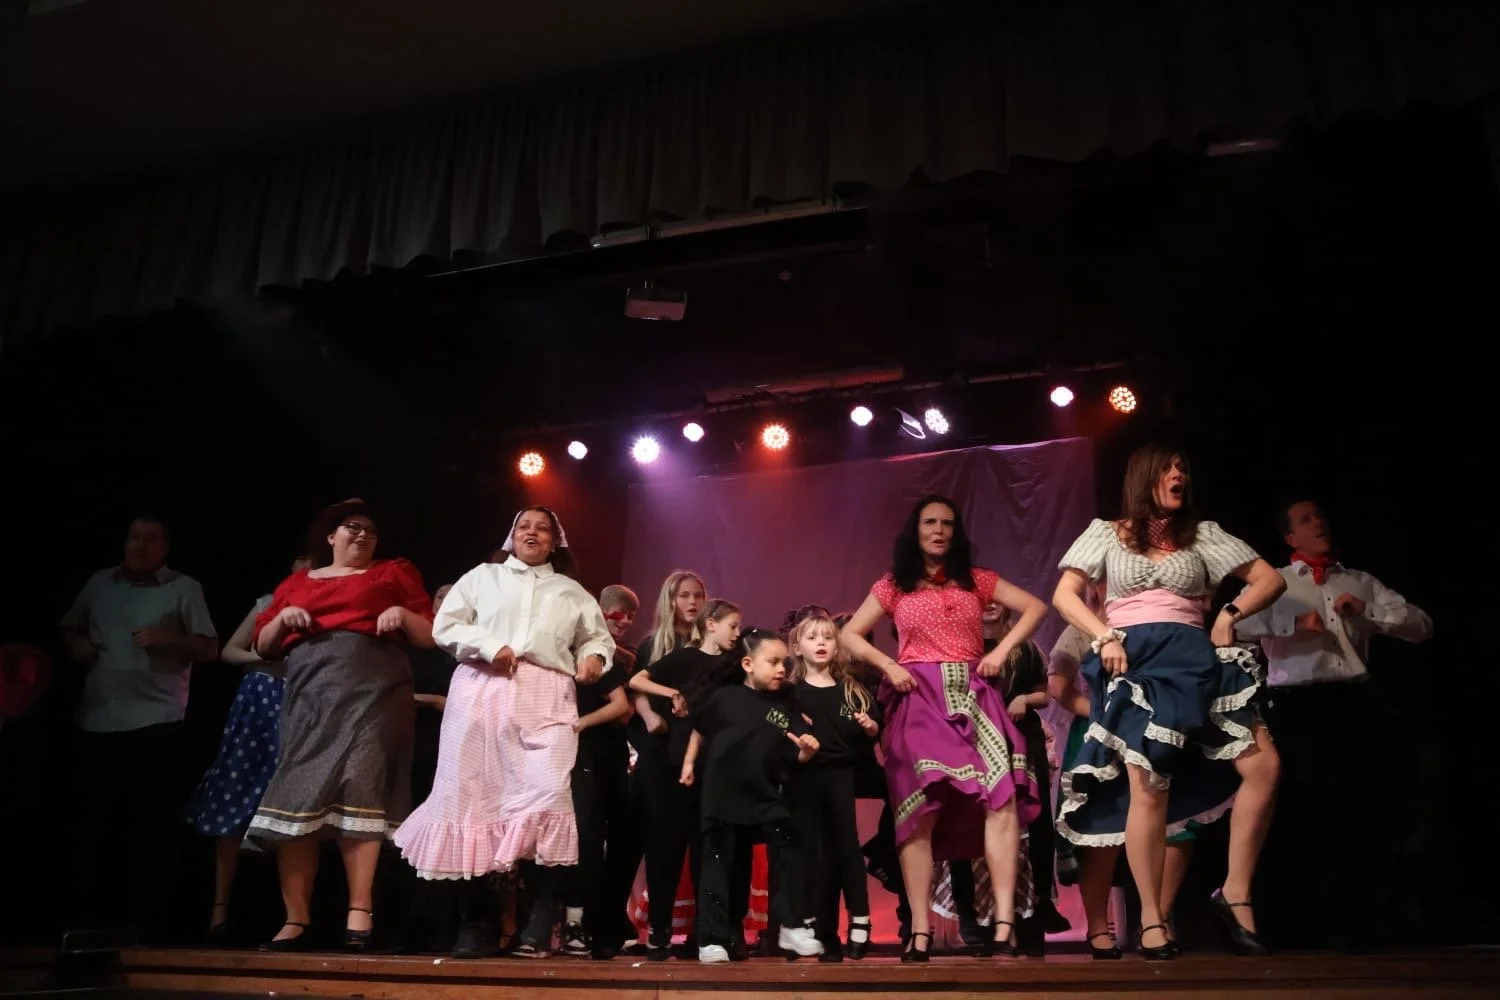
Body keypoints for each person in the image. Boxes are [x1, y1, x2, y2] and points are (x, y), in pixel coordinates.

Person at [1052, 444, 1285, 960]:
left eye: (1184, 467)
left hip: (1196, 657)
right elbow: (1065, 595)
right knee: (1148, 785)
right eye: (1170, 468)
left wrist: (1229, 613)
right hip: (1136, 661)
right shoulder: (1106, 533)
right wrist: (1103, 636)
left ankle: (1236, 891)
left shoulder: (1204, 535)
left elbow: (1270, 578)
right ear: (1145, 477)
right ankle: (1152, 918)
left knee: (1264, 766)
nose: (1179, 474)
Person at [394, 506, 614, 959]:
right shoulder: (483, 577)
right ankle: (475, 923)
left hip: (547, 694)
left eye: (542, 528)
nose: (532, 533)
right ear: (511, 536)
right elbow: (447, 625)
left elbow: (596, 638)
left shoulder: (572, 592)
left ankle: (537, 920)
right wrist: (491, 647)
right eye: (523, 527)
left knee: (549, 797)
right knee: (472, 801)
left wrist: (593, 658)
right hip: (482, 690)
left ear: (557, 541)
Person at [840, 494, 1046, 960]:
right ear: (915, 530)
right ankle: (918, 929)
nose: (939, 530)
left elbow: (1035, 607)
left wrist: (998, 652)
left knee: (1003, 795)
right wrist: (888, 665)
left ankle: (1004, 923)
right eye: (930, 522)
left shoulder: (977, 580)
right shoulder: (895, 584)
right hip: (920, 696)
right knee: (920, 808)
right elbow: (849, 634)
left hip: (976, 695)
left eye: (948, 523)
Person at [1237, 499, 1432, 951]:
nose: (1318, 522)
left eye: (1320, 516)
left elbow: (1423, 626)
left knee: (1357, 812)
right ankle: (1294, 926)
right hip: (1296, 708)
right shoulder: (1275, 584)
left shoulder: (1359, 581)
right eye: (1306, 520)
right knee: (1299, 815)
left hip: (1351, 704)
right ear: (1290, 538)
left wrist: (1367, 612)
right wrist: (1289, 623)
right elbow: (1233, 622)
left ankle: (1358, 924)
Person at [248, 499, 434, 951]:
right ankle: (296, 917)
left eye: (371, 530)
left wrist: (404, 617)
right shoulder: (298, 581)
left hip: (375, 692)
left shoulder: (392, 573)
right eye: (352, 527)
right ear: (331, 537)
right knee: (298, 791)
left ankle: (360, 911)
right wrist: (284, 621)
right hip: (312, 694)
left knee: (363, 787)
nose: (363, 535)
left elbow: (430, 633)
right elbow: (261, 643)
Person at [61, 513, 218, 942]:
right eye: (134, 537)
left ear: (165, 549)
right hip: (95, 719)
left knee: (150, 829)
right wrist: (75, 643)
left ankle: (145, 925)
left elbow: (208, 647)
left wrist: (171, 640)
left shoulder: (183, 588)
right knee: (92, 826)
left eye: (150, 540)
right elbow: (70, 627)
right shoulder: (99, 582)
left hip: (156, 723)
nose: (139, 546)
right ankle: (86, 920)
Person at [185, 552, 313, 944]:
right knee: (235, 794)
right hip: (260, 700)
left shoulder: (328, 610)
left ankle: (292, 916)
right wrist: (267, 653)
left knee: (291, 806)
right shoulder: (267, 603)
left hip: (304, 703)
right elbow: (229, 651)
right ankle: (219, 910)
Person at [681, 628, 824, 963]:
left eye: (784, 663)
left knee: (790, 843)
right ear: (747, 663)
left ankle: (790, 923)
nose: (780, 669)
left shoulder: (784, 704)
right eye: (772, 662)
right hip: (722, 796)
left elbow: (797, 749)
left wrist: (806, 751)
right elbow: (699, 730)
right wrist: (689, 763)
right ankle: (712, 939)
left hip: (763, 797)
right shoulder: (724, 698)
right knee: (720, 866)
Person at [787, 613, 881, 960]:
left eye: (828, 637)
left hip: (841, 775)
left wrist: (870, 727)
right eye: (813, 638)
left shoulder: (851, 690)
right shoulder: (792, 694)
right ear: (797, 647)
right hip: (804, 778)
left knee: (847, 847)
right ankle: (816, 930)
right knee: (812, 853)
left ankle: (860, 917)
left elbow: (873, 730)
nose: (822, 643)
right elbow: (776, 727)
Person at [563, 585, 637, 958]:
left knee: (609, 838)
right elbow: (620, 706)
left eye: (630, 617)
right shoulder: (578, 655)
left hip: (606, 755)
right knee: (585, 838)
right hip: (581, 755)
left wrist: (578, 724)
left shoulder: (614, 660)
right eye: (616, 614)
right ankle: (576, 920)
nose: (623, 622)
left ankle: (602, 919)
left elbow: (623, 708)